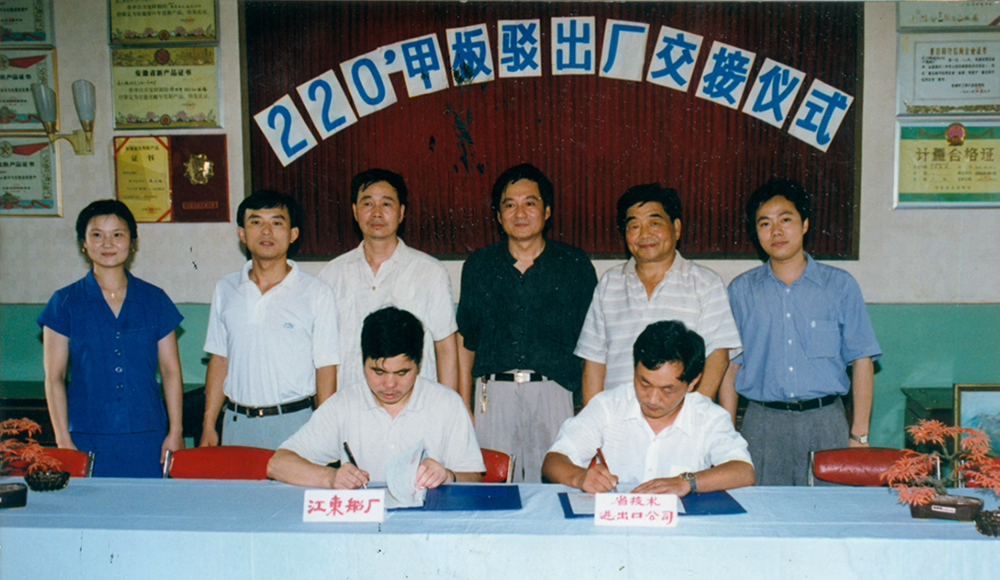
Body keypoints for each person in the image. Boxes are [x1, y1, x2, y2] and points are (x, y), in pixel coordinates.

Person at [720, 178, 881, 486]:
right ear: (756, 232)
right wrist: (727, 437)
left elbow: (863, 361)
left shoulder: (840, 286)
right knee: (764, 522)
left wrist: (859, 435)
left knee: (830, 522)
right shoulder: (741, 291)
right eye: (765, 223)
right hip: (762, 424)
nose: (776, 231)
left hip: (826, 422)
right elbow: (730, 367)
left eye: (786, 219)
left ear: (805, 224)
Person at [456, 163, 597, 483]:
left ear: (547, 211)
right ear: (498, 214)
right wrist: (464, 406)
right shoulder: (479, 264)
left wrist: (588, 413)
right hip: (493, 396)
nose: (520, 212)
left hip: (553, 394)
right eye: (509, 204)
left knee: (555, 487)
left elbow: (592, 346)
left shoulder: (574, 264)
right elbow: (467, 342)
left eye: (529, 203)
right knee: (491, 491)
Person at [38, 200, 184, 477]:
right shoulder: (64, 302)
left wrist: (175, 431)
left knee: (148, 515)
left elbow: (170, 371)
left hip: (147, 434)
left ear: (132, 242)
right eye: (96, 235)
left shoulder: (154, 299)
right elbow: (54, 377)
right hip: (85, 436)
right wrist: (63, 441)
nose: (107, 243)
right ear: (83, 243)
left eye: (117, 234)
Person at [268, 307, 484, 489]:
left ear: (418, 364)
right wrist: (330, 477)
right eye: (378, 372)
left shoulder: (446, 403)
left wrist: (448, 476)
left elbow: (473, 477)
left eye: (402, 373)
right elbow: (278, 464)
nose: (390, 385)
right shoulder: (344, 404)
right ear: (363, 362)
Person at [543, 320, 753, 494]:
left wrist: (686, 482)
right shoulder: (608, 405)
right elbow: (554, 461)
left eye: (667, 390)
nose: (652, 399)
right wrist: (580, 478)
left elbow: (743, 470)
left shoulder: (708, 416)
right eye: (644, 383)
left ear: (692, 382)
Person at [199, 190, 340, 449]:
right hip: (236, 424)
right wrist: (209, 425)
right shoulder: (226, 288)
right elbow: (220, 360)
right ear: (242, 233)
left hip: (295, 424)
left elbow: (325, 368)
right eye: (255, 222)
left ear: (293, 234)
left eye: (276, 223)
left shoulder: (316, 292)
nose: (266, 231)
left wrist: (325, 430)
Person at [575, 184, 741, 401]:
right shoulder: (609, 283)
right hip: (617, 419)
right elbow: (594, 359)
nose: (644, 234)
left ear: (677, 228)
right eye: (634, 226)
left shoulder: (705, 283)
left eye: (654, 223)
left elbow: (717, 356)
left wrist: (692, 414)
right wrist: (593, 419)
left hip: (678, 417)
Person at [319, 169, 458, 392]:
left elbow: (446, 348)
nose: (376, 213)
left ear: (401, 212)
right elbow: (324, 354)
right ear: (355, 211)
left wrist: (450, 409)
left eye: (386, 204)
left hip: (416, 409)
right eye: (367, 204)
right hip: (351, 409)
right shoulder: (332, 275)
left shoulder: (430, 272)